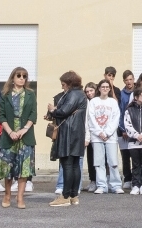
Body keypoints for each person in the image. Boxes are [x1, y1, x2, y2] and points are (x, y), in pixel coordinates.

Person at [0, 67, 39, 208]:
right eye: (19, 75)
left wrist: (24, 129)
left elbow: (33, 114)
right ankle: (7, 195)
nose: (22, 78)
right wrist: (10, 132)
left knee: (24, 168)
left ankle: (20, 197)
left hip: (25, 136)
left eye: (24, 76)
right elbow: (1, 116)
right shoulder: (5, 95)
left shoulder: (30, 94)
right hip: (9, 136)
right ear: (13, 78)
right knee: (8, 167)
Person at [47, 71, 89, 206]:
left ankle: (65, 196)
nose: (62, 87)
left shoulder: (73, 94)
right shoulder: (81, 94)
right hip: (77, 133)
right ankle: (73, 195)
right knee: (75, 165)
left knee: (67, 165)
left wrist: (53, 110)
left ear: (70, 83)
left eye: (63, 84)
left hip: (69, 134)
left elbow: (64, 111)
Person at [86, 79, 123, 195]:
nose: (105, 89)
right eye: (103, 87)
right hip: (97, 137)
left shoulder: (113, 102)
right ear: (99, 88)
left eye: (107, 87)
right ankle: (101, 185)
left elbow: (116, 119)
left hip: (110, 137)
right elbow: (90, 119)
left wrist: (107, 133)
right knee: (99, 162)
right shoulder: (93, 102)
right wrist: (99, 132)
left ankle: (115, 185)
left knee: (113, 162)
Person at [118, 69, 136, 191]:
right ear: (124, 81)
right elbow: (119, 112)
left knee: (135, 156)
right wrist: (123, 129)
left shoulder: (138, 92)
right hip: (123, 130)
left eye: (131, 79)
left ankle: (135, 179)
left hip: (136, 130)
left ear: (133, 79)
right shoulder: (121, 93)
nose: (129, 82)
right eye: (126, 80)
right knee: (125, 156)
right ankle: (127, 179)